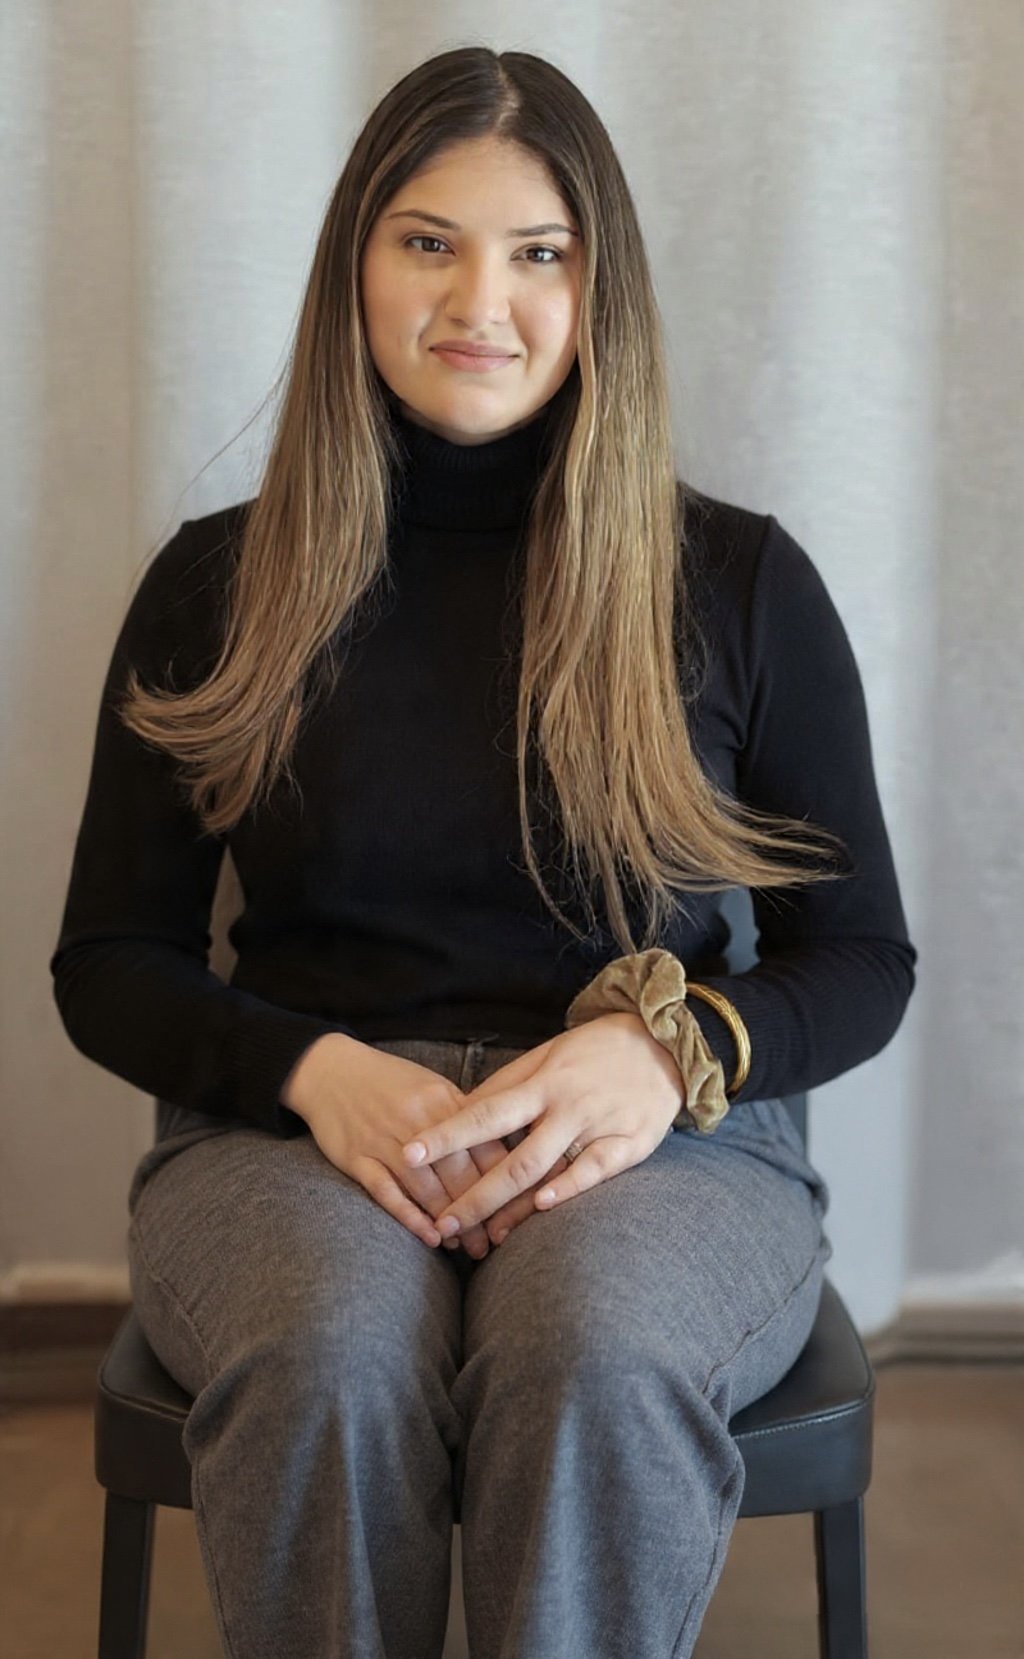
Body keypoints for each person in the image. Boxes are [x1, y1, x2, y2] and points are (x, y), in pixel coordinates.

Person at [49, 44, 916, 1659]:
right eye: (426, 241)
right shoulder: (212, 586)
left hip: (668, 1145)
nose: (481, 303)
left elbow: (862, 959)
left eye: (541, 254)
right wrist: (315, 1070)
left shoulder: (738, 584)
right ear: (354, 267)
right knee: (325, 1351)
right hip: (294, 1132)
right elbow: (109, 964)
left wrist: (663, 1060)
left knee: (589, 1348)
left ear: (603, 290)